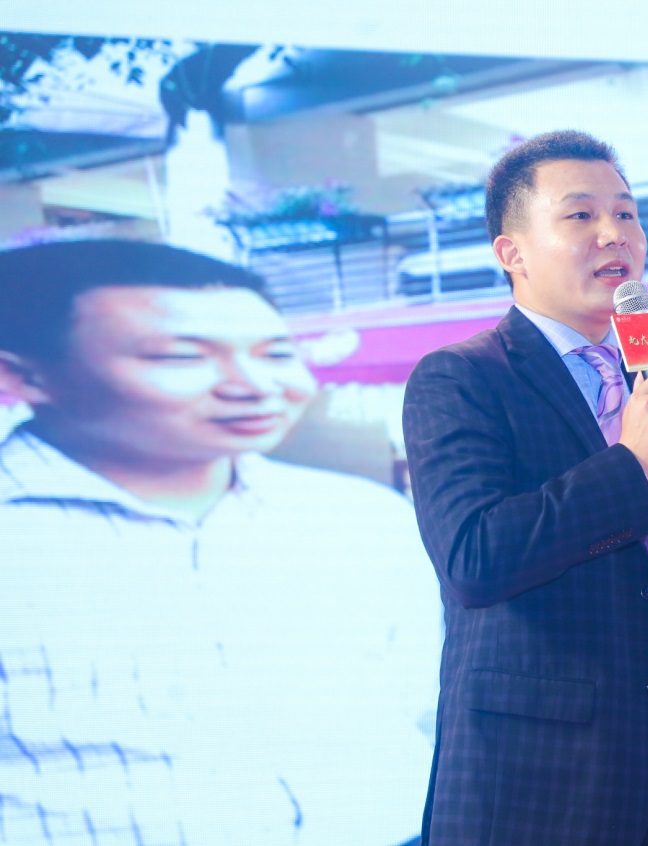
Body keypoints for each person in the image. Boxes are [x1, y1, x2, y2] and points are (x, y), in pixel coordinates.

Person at [0, 239, 442, 845]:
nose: (256, 386)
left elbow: (425, 706)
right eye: (180, 356)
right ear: (24, 376)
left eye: (277, 353)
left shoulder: (359, 518)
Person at [402, 130, 648, 846]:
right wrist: (632, 462)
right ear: (512, 252)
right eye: (580, 215)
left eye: (627, 213)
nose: (615, 233)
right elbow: (475, 560)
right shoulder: (460, 377)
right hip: (535, 790)